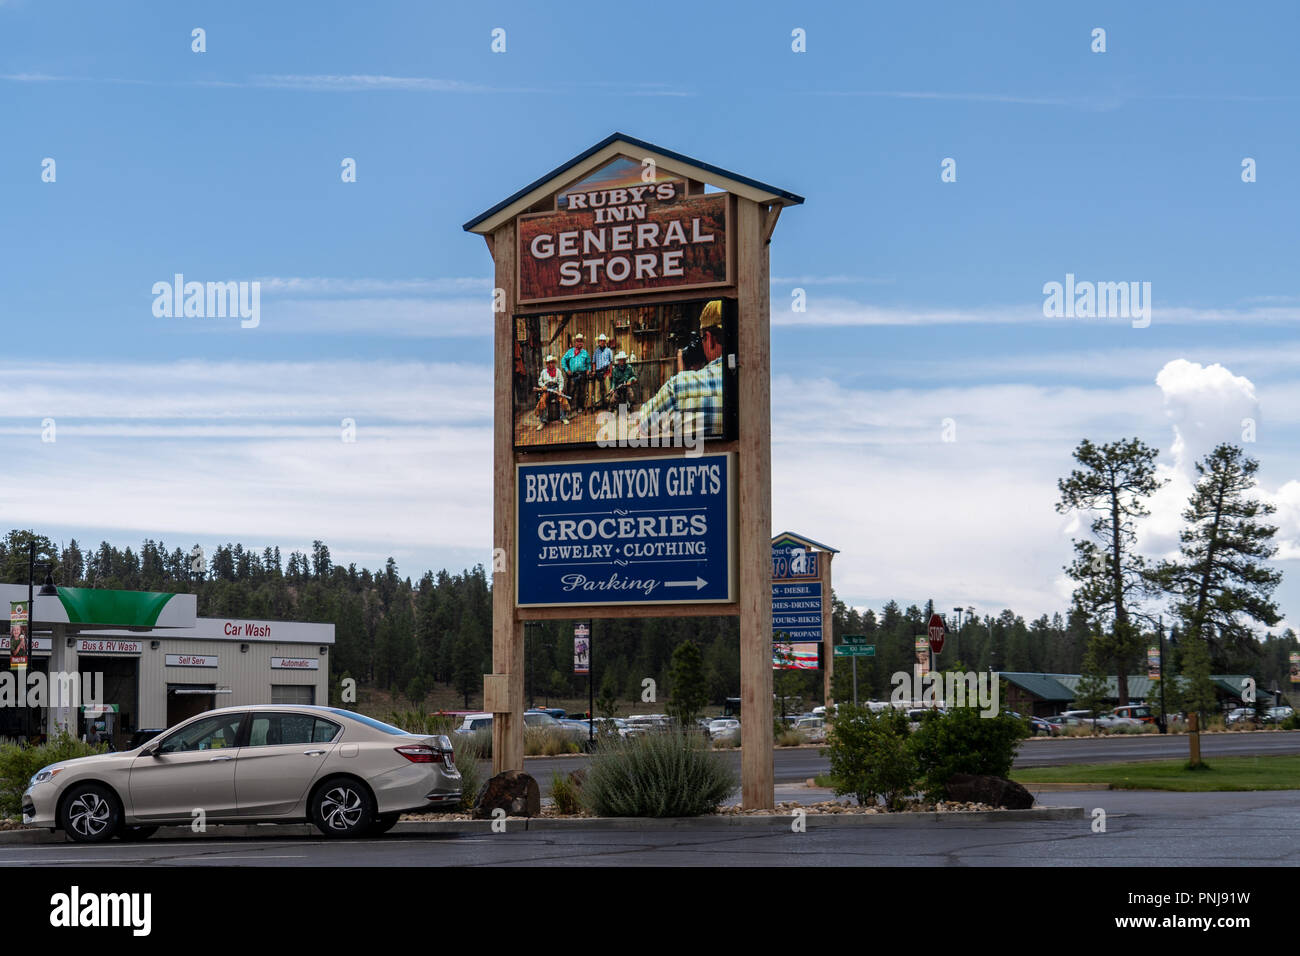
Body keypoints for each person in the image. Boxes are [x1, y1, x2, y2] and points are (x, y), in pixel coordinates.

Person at [637, 300, 724, 439]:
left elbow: (643, 424)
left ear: (710, 339)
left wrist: (685, 376)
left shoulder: (679, 387)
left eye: (702, 339)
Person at [533, 354, 570, 430]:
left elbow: (561, 381)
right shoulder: (543, 372)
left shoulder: (558, 371)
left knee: (562, 398)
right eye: (549, 363)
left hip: (555, 388)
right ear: (547, 364)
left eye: (552, 362)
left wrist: (559, 390)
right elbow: (540, 381)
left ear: (554, 363)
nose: (550, 364)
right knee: (542, 400)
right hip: (546, 389)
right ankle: (543, 421)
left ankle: (563, 417)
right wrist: (543, 386)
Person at [562, 333, 591, 412]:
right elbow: (563, 360)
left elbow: (589, 363)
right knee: (571, 391)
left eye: (581, 341)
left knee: (581, 392)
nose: (579, 343)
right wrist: (567, 369)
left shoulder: (585, 353)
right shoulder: (570, 352)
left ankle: (580, 407)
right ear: (575, 342)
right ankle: (569, 407)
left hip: (582, 374)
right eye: (578, 341)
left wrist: (589, 370)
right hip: (573, 375)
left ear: (583, 343)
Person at [592, 333, 613, 407]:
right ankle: (598, 403)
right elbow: (594, 362)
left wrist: (610, 372)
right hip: (598, 371)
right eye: (600, 341)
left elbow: (611, 362)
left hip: (606, 371)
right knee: (597, 389)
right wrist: (594, 371)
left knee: (607, 387)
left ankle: (608, 402)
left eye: (603, 341)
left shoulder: (609, 351)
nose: (602, 342)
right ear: (598, 342)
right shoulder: (596, 351)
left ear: (605, 342)